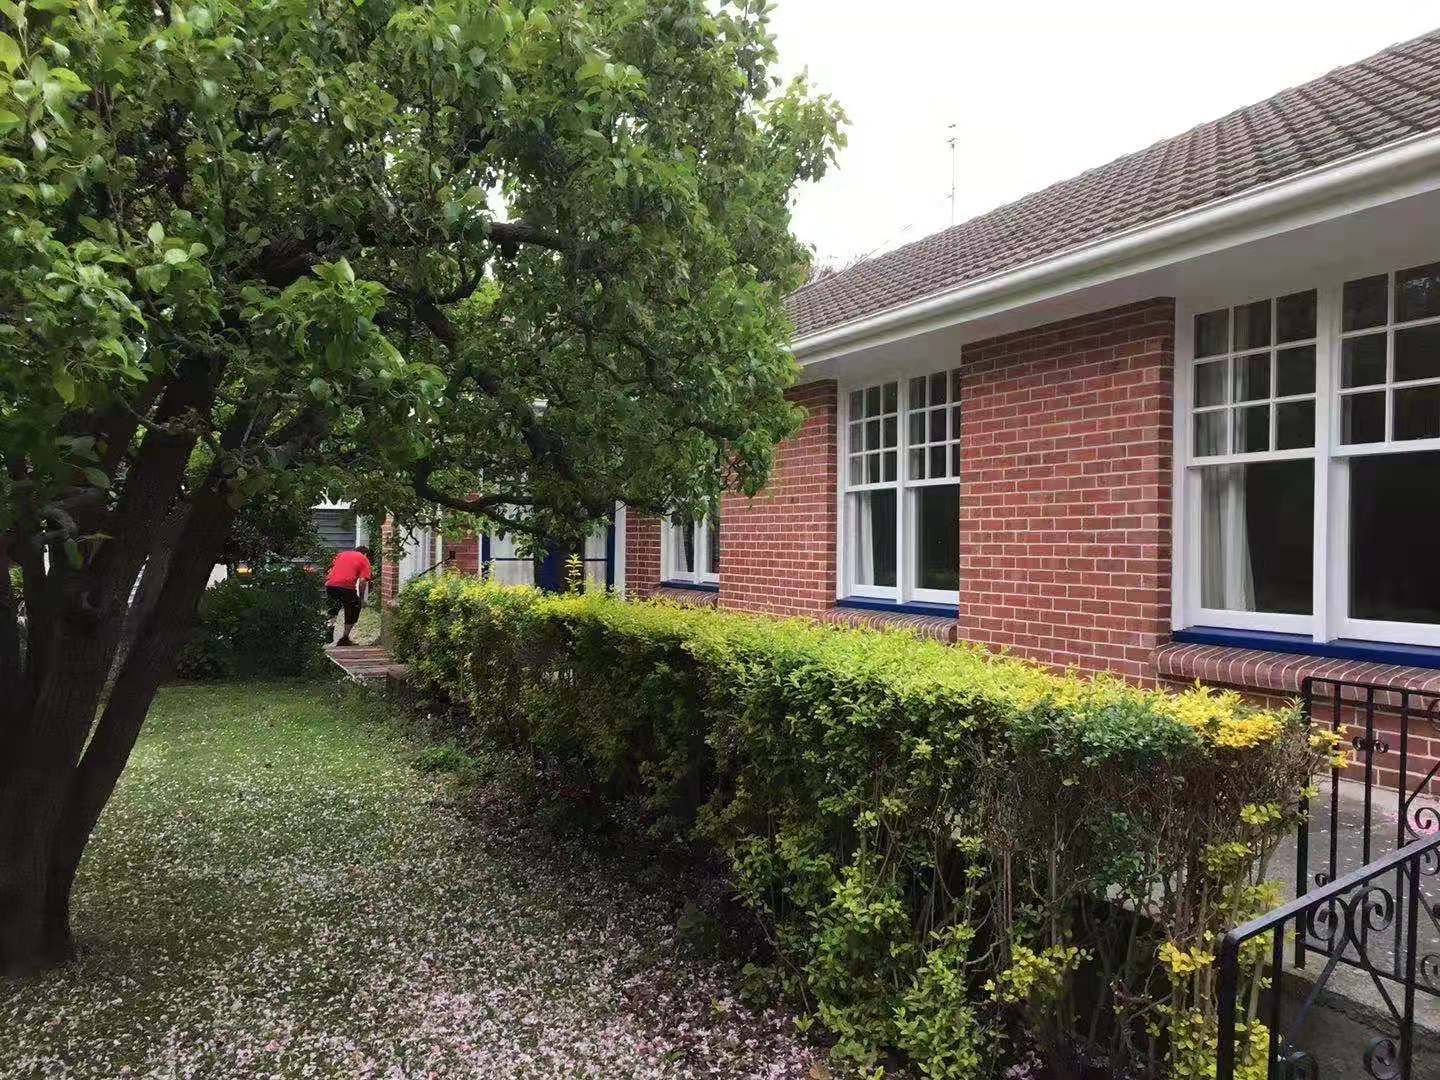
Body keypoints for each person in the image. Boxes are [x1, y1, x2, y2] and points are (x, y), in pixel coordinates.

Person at [324, 545, 372, 646]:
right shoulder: (364, 559)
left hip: (330, 585)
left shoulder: (341, 554)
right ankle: (345, 638)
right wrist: (361, 598)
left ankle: (329, 627)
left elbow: (328, 570)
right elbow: (362, 581)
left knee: (333, 608)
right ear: (365, 554)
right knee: (353, 608)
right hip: (346, 586)